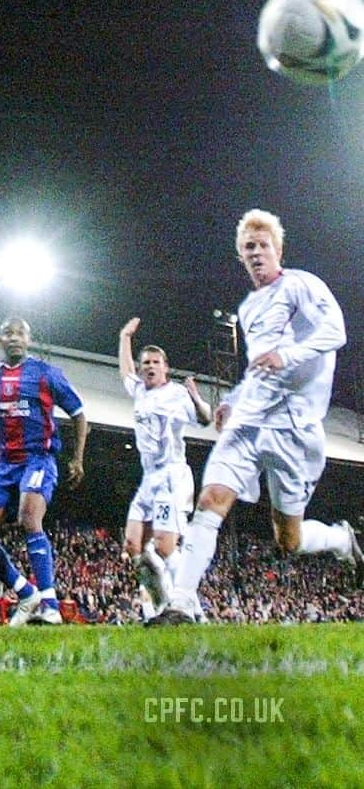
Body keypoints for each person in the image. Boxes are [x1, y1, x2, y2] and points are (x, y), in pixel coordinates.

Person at [151, 208, 363, 624]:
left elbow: (335, 331)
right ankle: (181, 603)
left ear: (277, 249)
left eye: (262, 245)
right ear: (241, 258)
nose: (256, 253)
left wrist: (288, 354)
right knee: (211, 501)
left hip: (296, 433)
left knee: (289, 540)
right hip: (249, 427)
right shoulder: (249, 309)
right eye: (248, 248)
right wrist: (233, 399)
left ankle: (341, 539)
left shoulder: (302, 285)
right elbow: (257, 371)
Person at [0, 316, 87, 625]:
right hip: (6, 465)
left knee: (29, 518)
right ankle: (25, 591)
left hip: (39, 459)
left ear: (28, 340)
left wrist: (77, 458)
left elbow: (79, 413)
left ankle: (50, 605)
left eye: (20, 333)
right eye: (8, 333)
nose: (14, 338)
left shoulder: (46, 374)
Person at [117, 316, 211, 619]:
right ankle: (161, 607)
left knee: (166, 547)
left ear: (165, 367)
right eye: (146, 362)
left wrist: (196, 398)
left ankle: (191, 610)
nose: (149, 366)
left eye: (155, 362)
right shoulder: (141, 391)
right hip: (149, 479)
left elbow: (206, 419)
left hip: (173, 475)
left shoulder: (177, 395)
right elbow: (125, 371)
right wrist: (124, 338)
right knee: (133, 547)